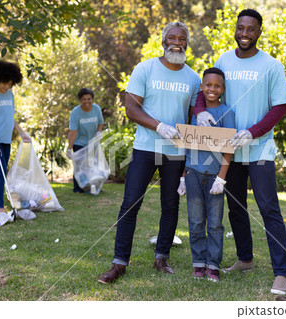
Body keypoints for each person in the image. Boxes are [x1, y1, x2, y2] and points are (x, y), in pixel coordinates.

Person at [193, 9, 286, 295]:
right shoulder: (224, 59)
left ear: (259, 32)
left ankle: (281, 273)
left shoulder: (272, 65)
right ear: (235, 30)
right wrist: (200, 112)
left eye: (251, 29)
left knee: (268, 209)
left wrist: (253, 131)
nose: (245, 33)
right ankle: (245, 259)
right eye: (241, 28)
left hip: (259, 148)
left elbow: (280, 107)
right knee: (236, 206)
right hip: (229, 151)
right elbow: (205, 89)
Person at [98, 21, 201, 284]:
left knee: (170, 205)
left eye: (182, 38)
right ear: (163, 41)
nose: (177, 42)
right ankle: (119, 263)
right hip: (146, 148)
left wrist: (190, 159)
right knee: (130, 203)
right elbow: (131, 109)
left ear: (186, 44)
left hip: (176, 153)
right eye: (172, 37)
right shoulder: (145, 69)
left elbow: (192, 119)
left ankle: (161, 258)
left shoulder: (193, 78)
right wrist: (159, 126)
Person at [177, 67, 235, 282]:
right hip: (193, 173)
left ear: (223, 89)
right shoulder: (193, 114)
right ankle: (198, 264)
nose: (212, 89)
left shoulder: (227, 113)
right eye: (208, 85)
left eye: (217, 86)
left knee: (215, 223)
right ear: (201, 87)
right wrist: (183, 177)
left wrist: (221, 178)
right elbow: (187, 145)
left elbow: (228, 148)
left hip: (214, 176)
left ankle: (213, 265)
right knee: (195, 221)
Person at [0, 60, 31, 213]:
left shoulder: (10, 95)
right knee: (2, 169)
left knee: (0, 171)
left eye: (9, 84)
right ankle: (0, 206)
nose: (6, 87)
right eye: (4, 83)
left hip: (6, 139)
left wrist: (22, 133)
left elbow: (11, 117)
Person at [67, 88, 104, 193]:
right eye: (84, 99)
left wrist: (98, 131)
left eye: (89, 99)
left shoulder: (96, 109)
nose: (87, 102)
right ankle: (78, 188)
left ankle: (94, 187)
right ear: (80, 100)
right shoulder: (75, 112)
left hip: (93, 142)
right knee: (80, 167)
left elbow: (101, 122)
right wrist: (69, 149)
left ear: (92, 99)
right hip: (79, 143)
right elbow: (73, 132)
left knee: (94, 166)